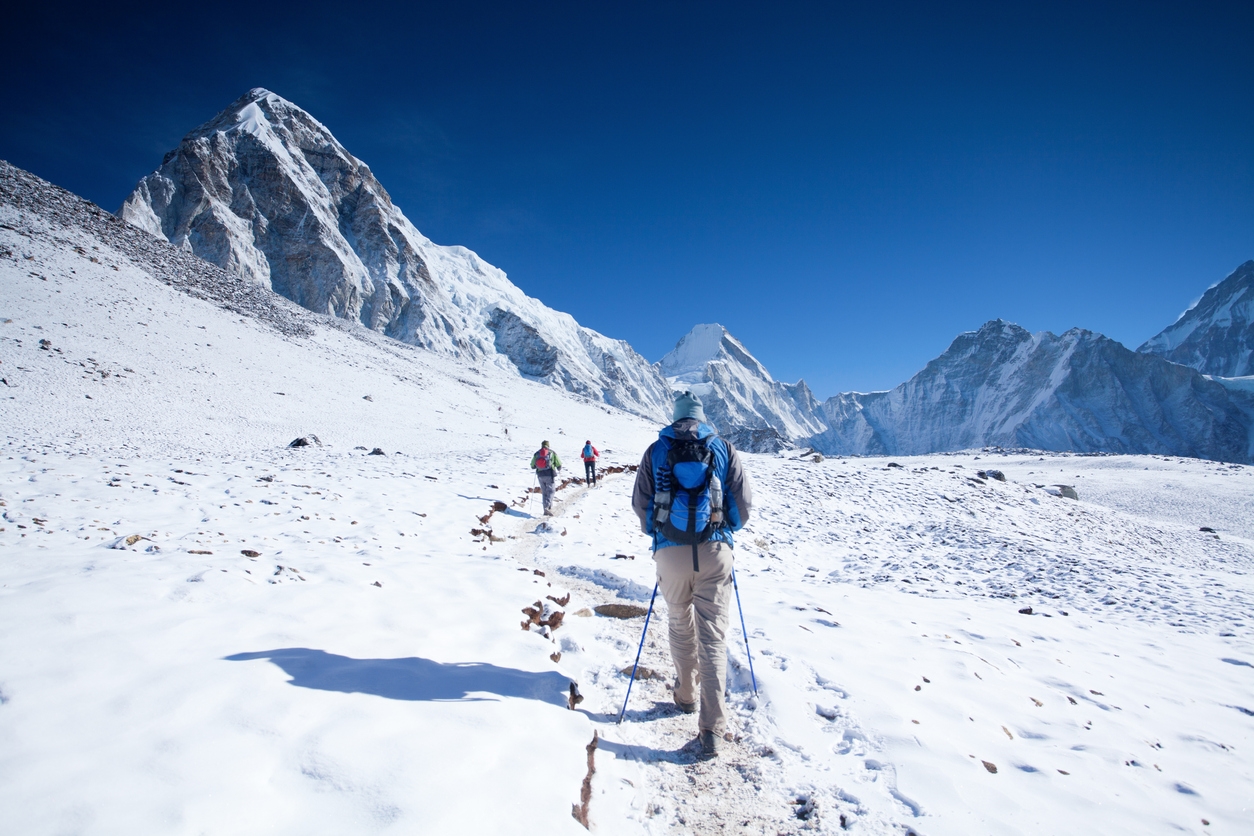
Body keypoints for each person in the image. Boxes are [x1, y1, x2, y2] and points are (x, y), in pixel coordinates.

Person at [631, 391, 753, 758]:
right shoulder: (723, 448)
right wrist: (723, 530)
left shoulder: (655, 450)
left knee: (679, 623)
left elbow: (641, 504)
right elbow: (743, 505)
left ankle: (684, 695)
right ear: (701, 417)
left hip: (670, 553)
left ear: (674, 416)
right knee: (712, 638)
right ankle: (713, 729)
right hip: (716, 552)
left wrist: (659, 533)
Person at [530, 440, 562, 516]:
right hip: (549, 474)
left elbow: (532, 465)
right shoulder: (552, 453)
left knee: (544, 492)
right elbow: (559, 464)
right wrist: (559, 468)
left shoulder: (537, 453)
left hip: (540, 475)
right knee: (551, 491)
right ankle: (547, 507)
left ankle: (546, 508)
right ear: (548, 445)